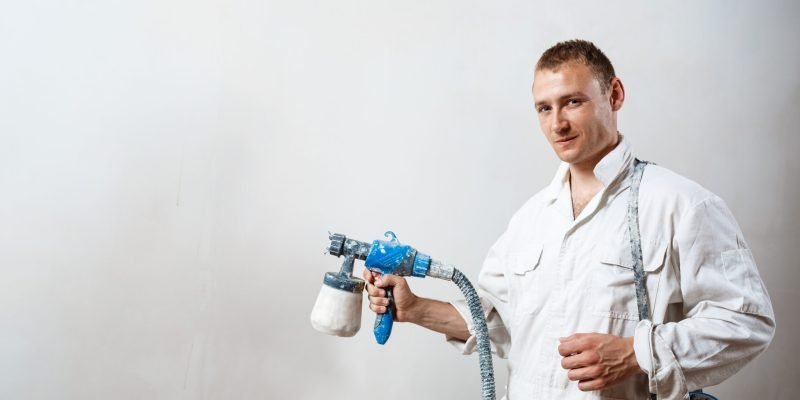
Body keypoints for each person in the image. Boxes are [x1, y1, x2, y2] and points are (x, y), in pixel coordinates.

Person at [363, 39, 775, 399]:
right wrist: (415, 308)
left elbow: (746, 321)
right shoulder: (531, 220)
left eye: (572, 102)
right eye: (544, 108)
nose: (557, 123)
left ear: (614, 94)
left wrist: (636, 353)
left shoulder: (680, 205)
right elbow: (501, 325)